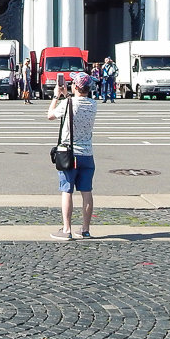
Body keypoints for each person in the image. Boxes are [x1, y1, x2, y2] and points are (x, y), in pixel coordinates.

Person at [47, 72, 99, 240]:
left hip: (69, 154)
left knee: (67, 191)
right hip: (87, 154)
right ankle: (85, 229)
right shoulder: (93, 104)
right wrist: (67, 96)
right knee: (87, 192)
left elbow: (50, 115)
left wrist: (56, 95)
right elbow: (77, 103)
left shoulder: (67, 103)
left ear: (76, 86)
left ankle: (67, 229)